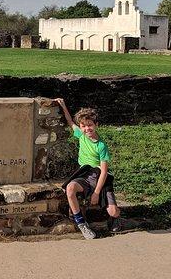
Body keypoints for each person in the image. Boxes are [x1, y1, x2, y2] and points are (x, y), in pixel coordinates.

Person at [54, 98, 121, 239]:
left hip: (100, 177)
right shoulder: (81, 135)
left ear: (96, 124)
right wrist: (63, 105)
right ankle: (81, 223)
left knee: (114, 211)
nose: (87, 129)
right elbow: (70, 122)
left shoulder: (101, 146)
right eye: (83, 126)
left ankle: (114, 218)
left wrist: (96, 193)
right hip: (85, 174)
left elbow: (104, 171)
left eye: (90, 125)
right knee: (70, 188)